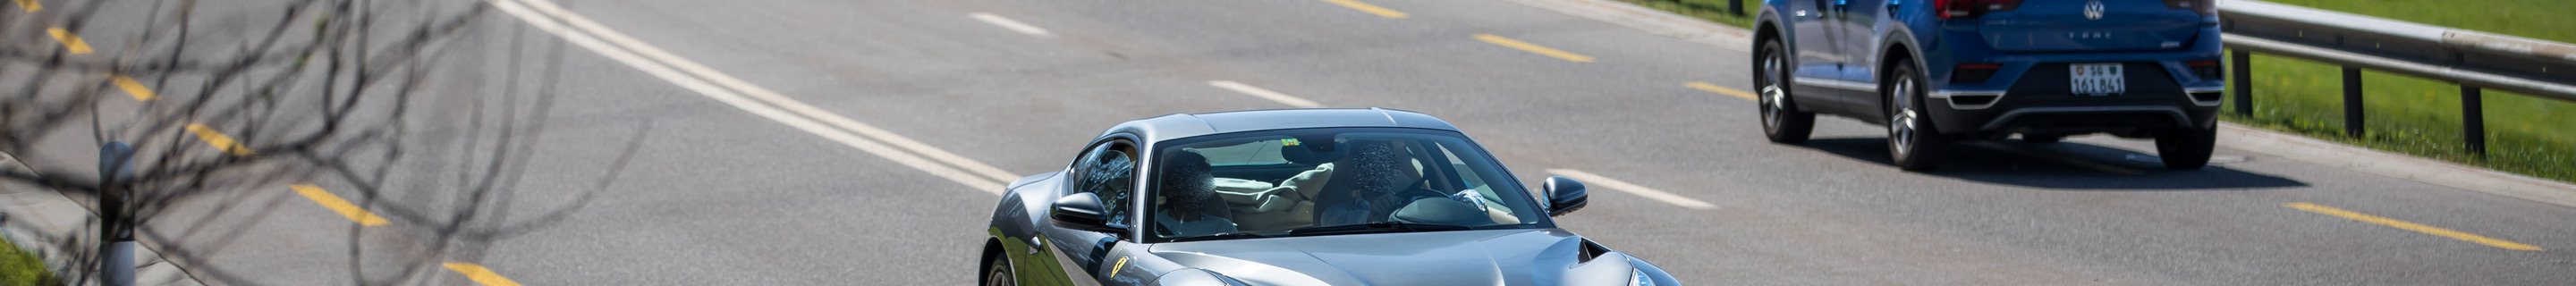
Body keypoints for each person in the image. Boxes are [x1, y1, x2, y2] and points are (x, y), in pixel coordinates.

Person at [1154, 150, 1237, 237]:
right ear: (1169, 186)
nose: (1191, 190)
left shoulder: (1223, 228)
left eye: (1199, 183)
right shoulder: (1153, 227)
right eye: (1183, 181)